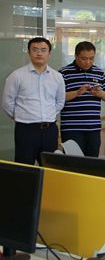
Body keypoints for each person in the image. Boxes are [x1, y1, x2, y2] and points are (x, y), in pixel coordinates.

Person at [2, 37, 65, 165]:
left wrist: (49, 115)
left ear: (49, 53)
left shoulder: (57, 77)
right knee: (24, 168)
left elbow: (60, 102)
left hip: (49, 130)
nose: (39, 53)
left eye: (43, 50)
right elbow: (7, 102)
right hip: (26, 130)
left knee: (50, 167)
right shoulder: (17, 75)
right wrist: (20, 116)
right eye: (35, 49)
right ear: (29, 52)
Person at [59, 41, 105, 157]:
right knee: (73, 163)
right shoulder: (63, 73)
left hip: (93, 128)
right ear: (76, 56)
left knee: (91, 162)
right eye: (84, 58)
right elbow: (57, 98)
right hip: (71, 128)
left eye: (91, 58)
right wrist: (77, 93)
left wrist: (100, 93)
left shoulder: (99, 72)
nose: (88, 62)